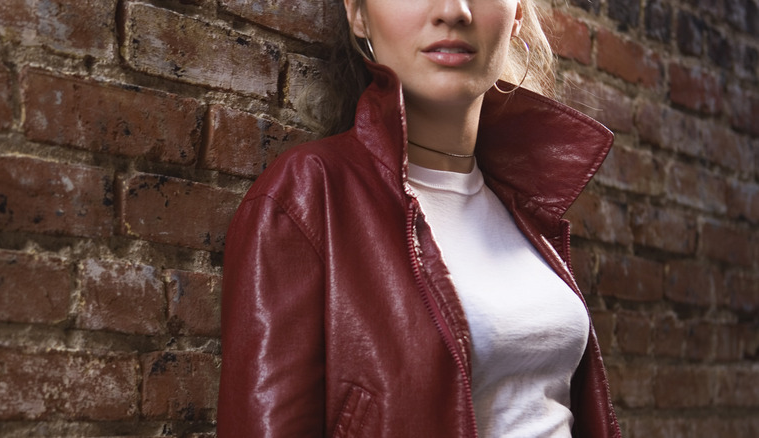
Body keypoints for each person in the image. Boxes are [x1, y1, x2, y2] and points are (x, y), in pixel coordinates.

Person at [218, 0, 621, 436]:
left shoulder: (524, 204)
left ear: (518, 13)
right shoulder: (306, 194)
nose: (454, 11)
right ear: (357, 13)